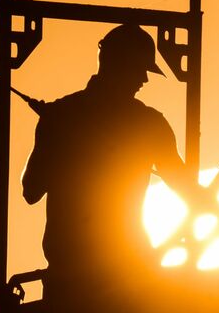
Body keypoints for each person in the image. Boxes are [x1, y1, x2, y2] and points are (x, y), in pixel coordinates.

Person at [21, 24, 196, 311]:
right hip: (123, 277)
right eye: (140, 69)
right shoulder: (148, 124)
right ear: (118, 65)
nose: (144, 79)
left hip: (73, 281)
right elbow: (187, 189)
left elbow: (31, 188)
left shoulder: (62, 115)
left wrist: (57, 133)